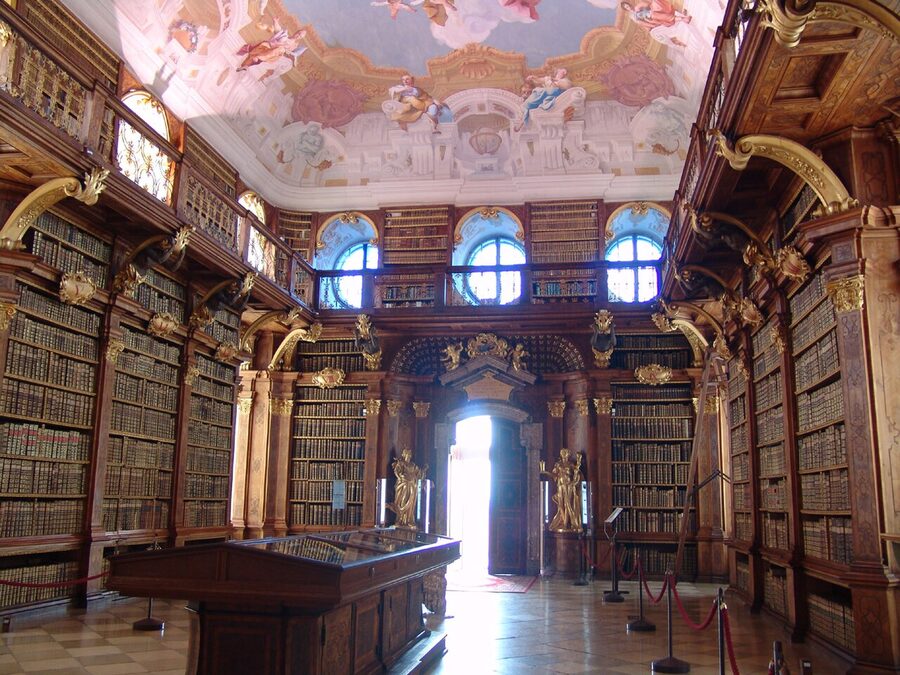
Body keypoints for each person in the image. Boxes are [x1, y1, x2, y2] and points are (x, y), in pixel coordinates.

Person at [236, 18, 307, 73]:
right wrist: (275, 21)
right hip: (268, 46)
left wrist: (286, 50)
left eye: (300, 36)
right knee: (263, 45)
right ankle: (245, 66)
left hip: (275, 53)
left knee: (280, 49)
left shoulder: (294, 46)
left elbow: (293, 56)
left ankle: (258, 58)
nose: (298, 35)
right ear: (296, 32)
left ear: (301, 38)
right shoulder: (285, 35)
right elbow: (278, 30)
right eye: (299, 33)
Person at [541, 448, 583, 532]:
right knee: (561, 504)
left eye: (565, 453)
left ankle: (568, 523)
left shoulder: (570, 464)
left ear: (568, 454)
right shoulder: (558, 464)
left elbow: (576, 472)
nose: (564, 455)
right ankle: (563, 521)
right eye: (563, 453)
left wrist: (578, 461)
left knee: (568, 504)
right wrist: (545, 472)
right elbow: (554, 475)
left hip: (569, 485)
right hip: (560, 485)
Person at [388, 448, 428, 528]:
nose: (409, 456)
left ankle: (408, 520)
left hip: (412, 487)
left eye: (410, 454)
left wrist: (424, 470)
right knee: (402, 502)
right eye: (407, 454)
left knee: (410, 505)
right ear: (404, 455)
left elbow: (419, 474)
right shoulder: (401, 463)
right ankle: (400, 520)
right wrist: (402, 477)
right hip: (403, 486)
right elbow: (397, 472)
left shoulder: (413, 465)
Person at [621, 0, 691, 29]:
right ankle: (683, 19)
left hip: (652, 10)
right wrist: (652, 25)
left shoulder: (637, 6)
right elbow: (643, 23)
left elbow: (647, 4)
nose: (629, 7)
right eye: (627, 7)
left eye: (628, 5)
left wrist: (642, 7)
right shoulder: (634, 16)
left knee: (657, 2)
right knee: (658, 15)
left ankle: (681, 14)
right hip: (651, 18)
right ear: (626, 10)